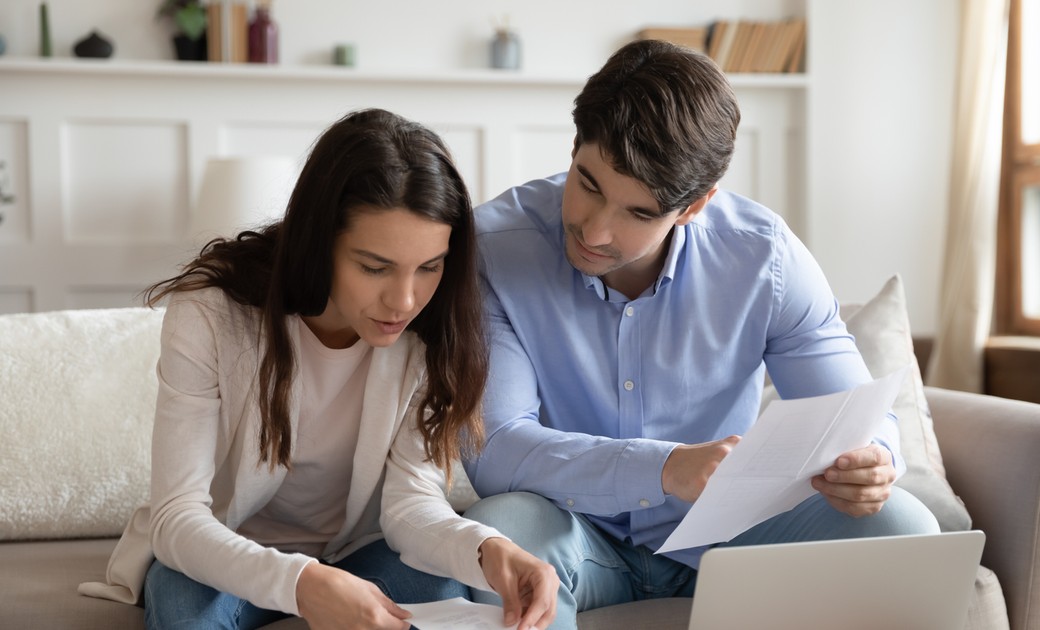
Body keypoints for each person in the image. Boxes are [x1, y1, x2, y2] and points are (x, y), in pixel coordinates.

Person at [462, 40, 940, 626]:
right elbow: (498, 449)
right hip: (572, 534)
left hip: (728, 535)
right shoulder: (493, 249)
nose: (594, 229)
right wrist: (664, 469)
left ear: (695, 206)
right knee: (501, 531)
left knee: (904, 527)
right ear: (574, 147)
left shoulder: (766, 260)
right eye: (587, 183)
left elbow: (854, 415)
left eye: (638, 213)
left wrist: (873, 460)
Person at [78, 109, 557, 630]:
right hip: (222, 550)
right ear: (318, 241)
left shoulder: (432, 332)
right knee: (182, 614)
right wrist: (304, 584)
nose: (404, 299)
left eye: (429, 267)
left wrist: (489, 548)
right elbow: (178, 519)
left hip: (358, 554)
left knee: (447, 589)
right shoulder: (210, 315)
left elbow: (410, 504)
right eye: (374, 267)